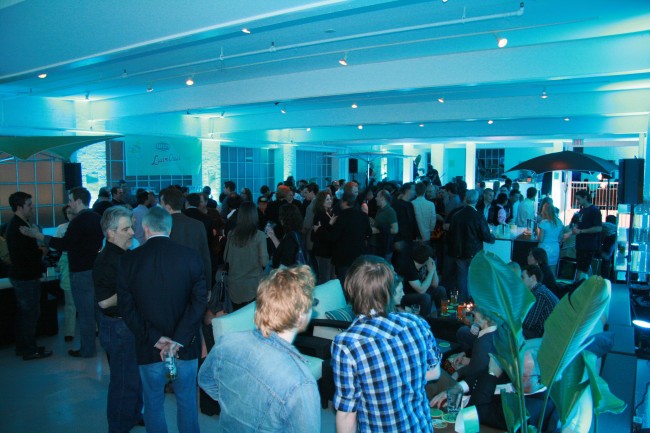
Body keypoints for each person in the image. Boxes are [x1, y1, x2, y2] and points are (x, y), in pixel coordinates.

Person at [117, 207, 207, 433]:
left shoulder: (129, 261)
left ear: (145, 228)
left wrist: (156, 338)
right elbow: (199, 303)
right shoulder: (190, 257)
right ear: (169, 228)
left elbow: (127, 308)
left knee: (153, 403)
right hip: (185, 347)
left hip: (149, 347)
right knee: (187, 401)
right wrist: (178, 340)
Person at [198, 266, 320, 432]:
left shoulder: (226, 342)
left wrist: (233, 405)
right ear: (300, 316)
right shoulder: (301, 382)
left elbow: (205, 379)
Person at [332, 255, 441, 433]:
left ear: (350, 290)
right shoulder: (417, 323)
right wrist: (402, 378)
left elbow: (347, 415)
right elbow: (435, 372)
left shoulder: (347, 344)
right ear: (390, 290)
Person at [23, 187, 104, 358]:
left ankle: (88, 349)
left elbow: (65, 244)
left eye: (70, 200)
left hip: (80, 272)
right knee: (97, 311)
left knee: (85, 313)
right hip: (95, 270)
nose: (69, 204)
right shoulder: (96, 218)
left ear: (78, 201)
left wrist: (39, 236)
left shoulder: (78, 221)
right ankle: (105, 344)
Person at [93, 206, 144, 432]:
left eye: (131, 227)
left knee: (133, 377)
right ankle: (119, 426)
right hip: (118, 327)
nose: (132, 232)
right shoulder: (107, 260)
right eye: (126, 229)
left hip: (127, 324)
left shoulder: (124, 256)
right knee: (124, 381)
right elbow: (104, 302)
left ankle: (133, 414)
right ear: (110, 233)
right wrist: (131, 290)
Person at [6, 192, 53, 361]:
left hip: (22, 275)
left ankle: (24, 346)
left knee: (25, 314)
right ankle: (29, 349)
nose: (32, 208)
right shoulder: (18, 227)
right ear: (19, 207)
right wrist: (43, 250)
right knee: (30, 314)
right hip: (25, 277)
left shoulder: (19, 224)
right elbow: (27, 255)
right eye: (29, 205)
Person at [446, 190, 495, 303]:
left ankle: (463, 302)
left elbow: (451, 234)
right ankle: (474, 302)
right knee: (475, 278)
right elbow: (486, 236)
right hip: (474, 252)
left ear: (465, 199)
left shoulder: (456, 215)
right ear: (477, 200)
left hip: (459, 252)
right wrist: (492, 238)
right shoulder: (478, 216)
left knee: (461, 278)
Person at [160, 187, 212, 290]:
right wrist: (208, 286)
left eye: (161, 204)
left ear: (167, 206)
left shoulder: (160, 226)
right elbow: (205, 257)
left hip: (169, 282)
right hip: (194, 280)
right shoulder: (198, 225)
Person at [224, 202, 268, 309]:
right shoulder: (260, 235)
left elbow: (226, 258)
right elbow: (264, 262)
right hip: (253, 285)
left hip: (234, 285)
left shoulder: (231, 234)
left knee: (237, 314)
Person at [325, 192, 372, 285]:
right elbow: (369, 233)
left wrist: (329, 226)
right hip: (359, 254)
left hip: (343, 257)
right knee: (358, 282)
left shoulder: (341, 217)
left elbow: (333, 237)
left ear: (344, 202)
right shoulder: (362, 215)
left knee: (344, 282)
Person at [397, 244, 445, 317]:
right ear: (428, 259)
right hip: (405, 296)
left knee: (440, 290)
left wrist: (433, 269)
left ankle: (444, 316)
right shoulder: (409, 267)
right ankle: (425, 320)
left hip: (420, 292)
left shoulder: (426, 265)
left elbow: (435, 285)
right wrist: (431, 272)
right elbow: (421, 290)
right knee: (425, 297)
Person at [55, 205, 76, 342]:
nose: (71, 215)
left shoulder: (83, 226)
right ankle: (69, 331)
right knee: (69, 302)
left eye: (72, 212)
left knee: (89, 301)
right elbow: (54, 246)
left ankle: (95, 328)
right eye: (68, 213)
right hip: (67, 263)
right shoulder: (61, 228)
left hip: (83, 263)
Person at [521, 265, 559, 338]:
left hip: (542, 337)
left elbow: (527, 324)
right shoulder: (541, 291)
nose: (520, 280)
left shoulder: (538, 295)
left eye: (522, 277)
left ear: (533, 278)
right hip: (546, 334)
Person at [572, 190, 603, 281]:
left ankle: (579, 284)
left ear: (585, 197)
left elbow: (598, 228)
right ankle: (579, 283)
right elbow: (579, 225)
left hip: (588, 244)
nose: (577, 201)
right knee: (580, 267)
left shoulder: (594, 210)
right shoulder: (582, 211)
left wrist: (581, 231)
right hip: (581, 243)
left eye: (578, 199)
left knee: (583, 268)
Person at [267, 204, 304, 269]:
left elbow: (286, 260)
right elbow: (282, 249)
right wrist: (273, 237)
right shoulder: (293, 233)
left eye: (281, 215)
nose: (279, 218)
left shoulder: (291, 236)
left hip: (289, 272)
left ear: (286, 217)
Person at [311, 190, 336, 284]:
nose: (330, 201)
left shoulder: (330, 213)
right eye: (327, 200)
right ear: (321, 202)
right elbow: (320, 235)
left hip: (330, 251)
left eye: (330, 199)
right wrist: (330, 224)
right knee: (325, 278)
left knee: (331, 277)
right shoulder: (319, 215)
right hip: (322, 251)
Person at [370, 189, 398, 261]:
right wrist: (373, 222)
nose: (375, 198)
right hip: (377, 244)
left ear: (382, 198)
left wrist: (379, 230)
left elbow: (395, 230)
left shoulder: (390, 211)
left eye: (377, 196)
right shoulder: (379, 210)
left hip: (384, 246)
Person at [537, 202, 563, 267]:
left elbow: (540, 239)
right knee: (553, 269)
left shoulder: (543, 223)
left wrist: (537, 231)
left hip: (544, 248)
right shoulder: (559, 222)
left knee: (542, 269)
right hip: (555, 248)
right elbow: (560, 238)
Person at [412, 182, 436, 246]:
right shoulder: (431, 204)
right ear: (425, 191)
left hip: (414, 235)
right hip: (426, 234)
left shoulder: (411, 203)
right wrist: (431, 230)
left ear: (415, 191)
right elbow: (433, 219)